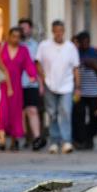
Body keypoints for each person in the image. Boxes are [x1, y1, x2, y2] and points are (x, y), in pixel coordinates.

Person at [38, 20, 80, 154]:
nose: (58, 34)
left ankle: (66, 141)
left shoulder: (70, 47)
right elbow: (38, 63)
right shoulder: (44, 46)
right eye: (56, 31)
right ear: (52, 31)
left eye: (60, 31)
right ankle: (54, 141)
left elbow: (75, 68)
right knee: (52, 113)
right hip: (50, 84)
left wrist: (77, 87)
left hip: (67, 85)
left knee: (66, 112)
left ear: (64, 31)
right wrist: (43, 78)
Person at [0, 26, 37, 151]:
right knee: (2, 112)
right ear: (8, 36)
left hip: (16, 86)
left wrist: (32, 75)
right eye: (13, 36)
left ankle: (14, 140)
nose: (15, 39)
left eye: (18, 37)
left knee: (15, 113)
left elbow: (29, 64)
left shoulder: (23, 50)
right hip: (2, 85)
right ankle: (2, 139)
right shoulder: (1, 48)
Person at [73, 32, 97, 150]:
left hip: (93, 91)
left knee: (94, 116)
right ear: (79, 42)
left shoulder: (95, 52)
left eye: (88, 41)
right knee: (79, 116)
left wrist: (95, 66)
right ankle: (81, 140)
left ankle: (90, 137)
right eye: (83, 42)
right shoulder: (75, 52)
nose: (85, 44)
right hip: (79, 91)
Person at [18, 19, 45, 150]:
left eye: (25, 27)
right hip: (17, 83)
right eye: (21, 28)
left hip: (31, 82)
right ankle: (19, 138)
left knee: (32, 110)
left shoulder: (35, 46)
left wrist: (41, 83)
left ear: (30, 28)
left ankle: (36, 138)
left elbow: (37, 66)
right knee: (19, 112)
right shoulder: (15, 45)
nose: (23, 30)